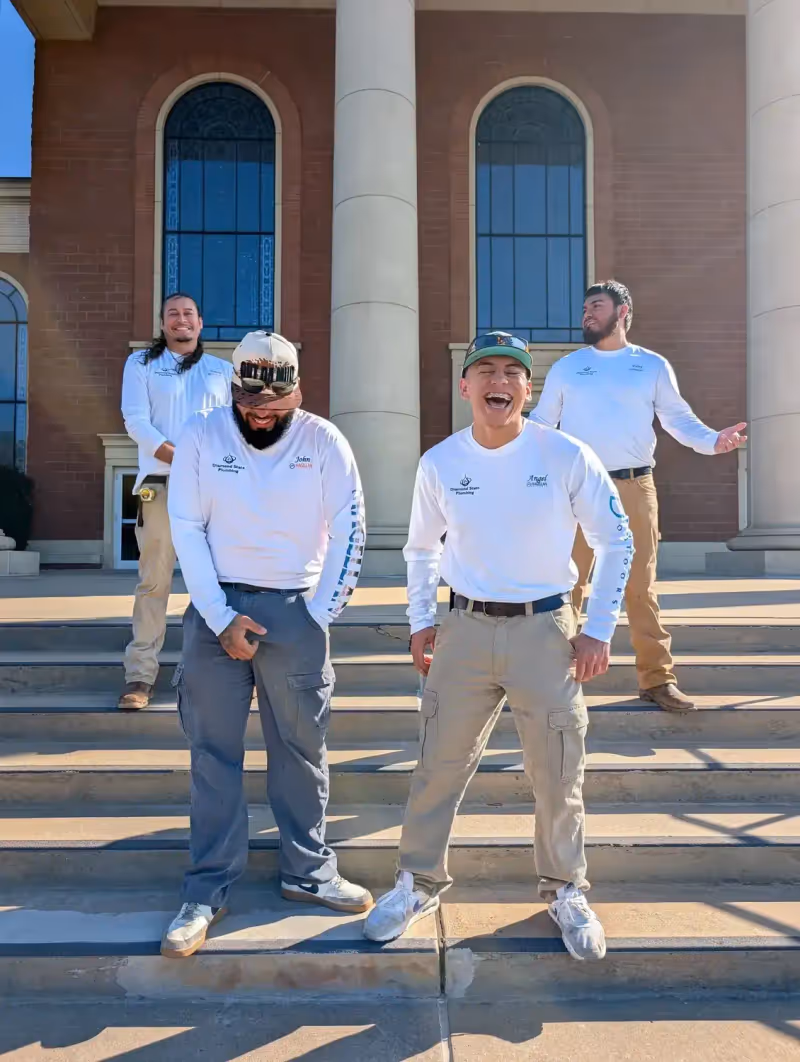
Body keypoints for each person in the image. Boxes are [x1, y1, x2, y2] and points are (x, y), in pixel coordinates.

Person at [364, 331, 634, 962]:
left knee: (557, 770)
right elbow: (420, 549)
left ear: (527, 389)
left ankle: (566, 889)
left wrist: (598, 627)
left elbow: (616, 541)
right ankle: (418, 882)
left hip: (547, 631)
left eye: (512, 373)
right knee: (437, 765)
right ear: (466, 387)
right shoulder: (441, 463)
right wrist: (420, 619)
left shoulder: (566, 455)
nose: (499, 381)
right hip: (463, 631)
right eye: (485, 370)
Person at [161, 330, 371, 959]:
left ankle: (308, 871)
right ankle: (206, 890)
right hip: (214, 609)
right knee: (214, 755)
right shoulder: (201, 436)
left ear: (298, 393)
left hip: (296, 611)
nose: (261, 415)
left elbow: (351, 529)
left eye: (275, 406)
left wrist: (318, 615)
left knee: (301, 750)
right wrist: (221, 616)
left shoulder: (324, 440)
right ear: (233, 390)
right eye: (250, 402)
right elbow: (186, 528)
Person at [531, 281, 746, 712]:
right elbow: (540, 426)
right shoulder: (567, 368)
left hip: (635, 486)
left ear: (622, 310)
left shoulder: (650, 365)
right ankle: (556, 680)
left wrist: (713, 441)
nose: (586, 314)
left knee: (640, 587)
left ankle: (657, 680)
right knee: (568, 584)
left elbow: (678, 420)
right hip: (576, 488)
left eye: (596, 306)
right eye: (585, 308)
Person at [119, 293, 232, 711]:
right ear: (163, 323)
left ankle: (228, 674)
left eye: (188, 314)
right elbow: (136, 421)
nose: (180, 320)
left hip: (214, 490)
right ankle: (140, 676)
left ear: (200, 323)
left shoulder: (222, 371)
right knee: (154, 582)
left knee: (224, 583)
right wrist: (180, 457)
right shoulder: (141, 365)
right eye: (173, 314)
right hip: (163, 486)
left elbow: (231, 430)